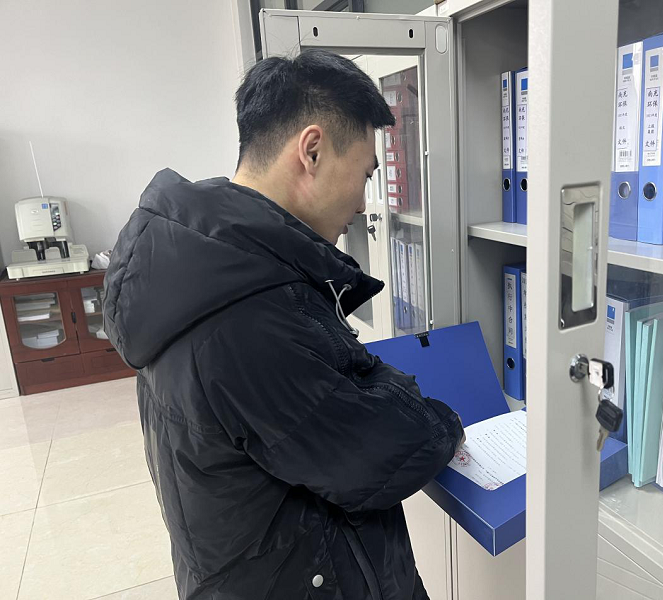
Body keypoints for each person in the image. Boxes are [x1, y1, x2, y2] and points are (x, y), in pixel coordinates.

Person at [103, 48, 465, 599]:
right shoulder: (248, 315)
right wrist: (443, 420)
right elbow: (383, 450)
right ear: (312, 151)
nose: (363, 203)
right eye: (365, 175)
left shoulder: (206, 265)